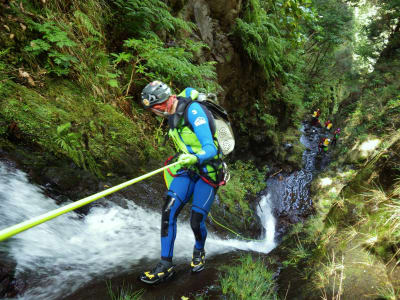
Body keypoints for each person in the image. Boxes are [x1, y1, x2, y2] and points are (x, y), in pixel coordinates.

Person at [138, 80, 225, 285]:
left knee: (196, 220)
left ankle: (199, 250)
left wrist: (196, 157)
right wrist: (188, 160)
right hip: (187, 169)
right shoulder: (172, 112)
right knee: (168, 211)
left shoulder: (193, 111)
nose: (155, 113)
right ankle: (165, 264)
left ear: (160, 104)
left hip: (209, 170)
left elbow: (210, 148)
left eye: (154, 109)